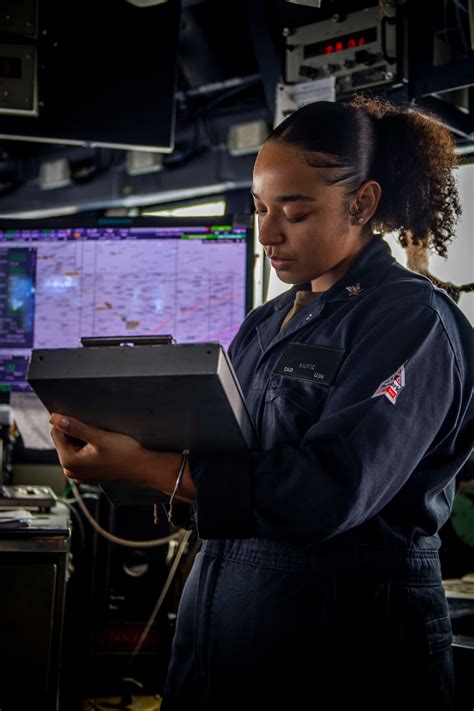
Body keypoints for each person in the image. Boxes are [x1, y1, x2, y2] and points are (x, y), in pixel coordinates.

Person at [50, 96, 473, 711]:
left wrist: (147, 467)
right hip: (224, 629)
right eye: (259, 209)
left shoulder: (412, 321)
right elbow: (230, 459)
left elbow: (326, 492)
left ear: (363, 203)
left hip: (348, 649)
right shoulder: (266, 322)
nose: (268, 233)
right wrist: (137, 445)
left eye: (295, 213)